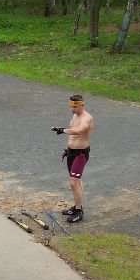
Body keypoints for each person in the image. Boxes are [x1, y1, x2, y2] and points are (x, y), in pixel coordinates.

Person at [51, 94, 94, 223]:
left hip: (80, 154)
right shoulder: (74, 116)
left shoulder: (87, 118)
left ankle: (79, 212)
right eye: (71, 106)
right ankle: (76, 206)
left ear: (82, 104)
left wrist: (62, 130)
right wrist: (66, 149)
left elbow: (79, 131)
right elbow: (72, 136)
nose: (73, 109)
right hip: (71, 152)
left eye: (75, 106)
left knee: (73, 182)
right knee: (77, 181)